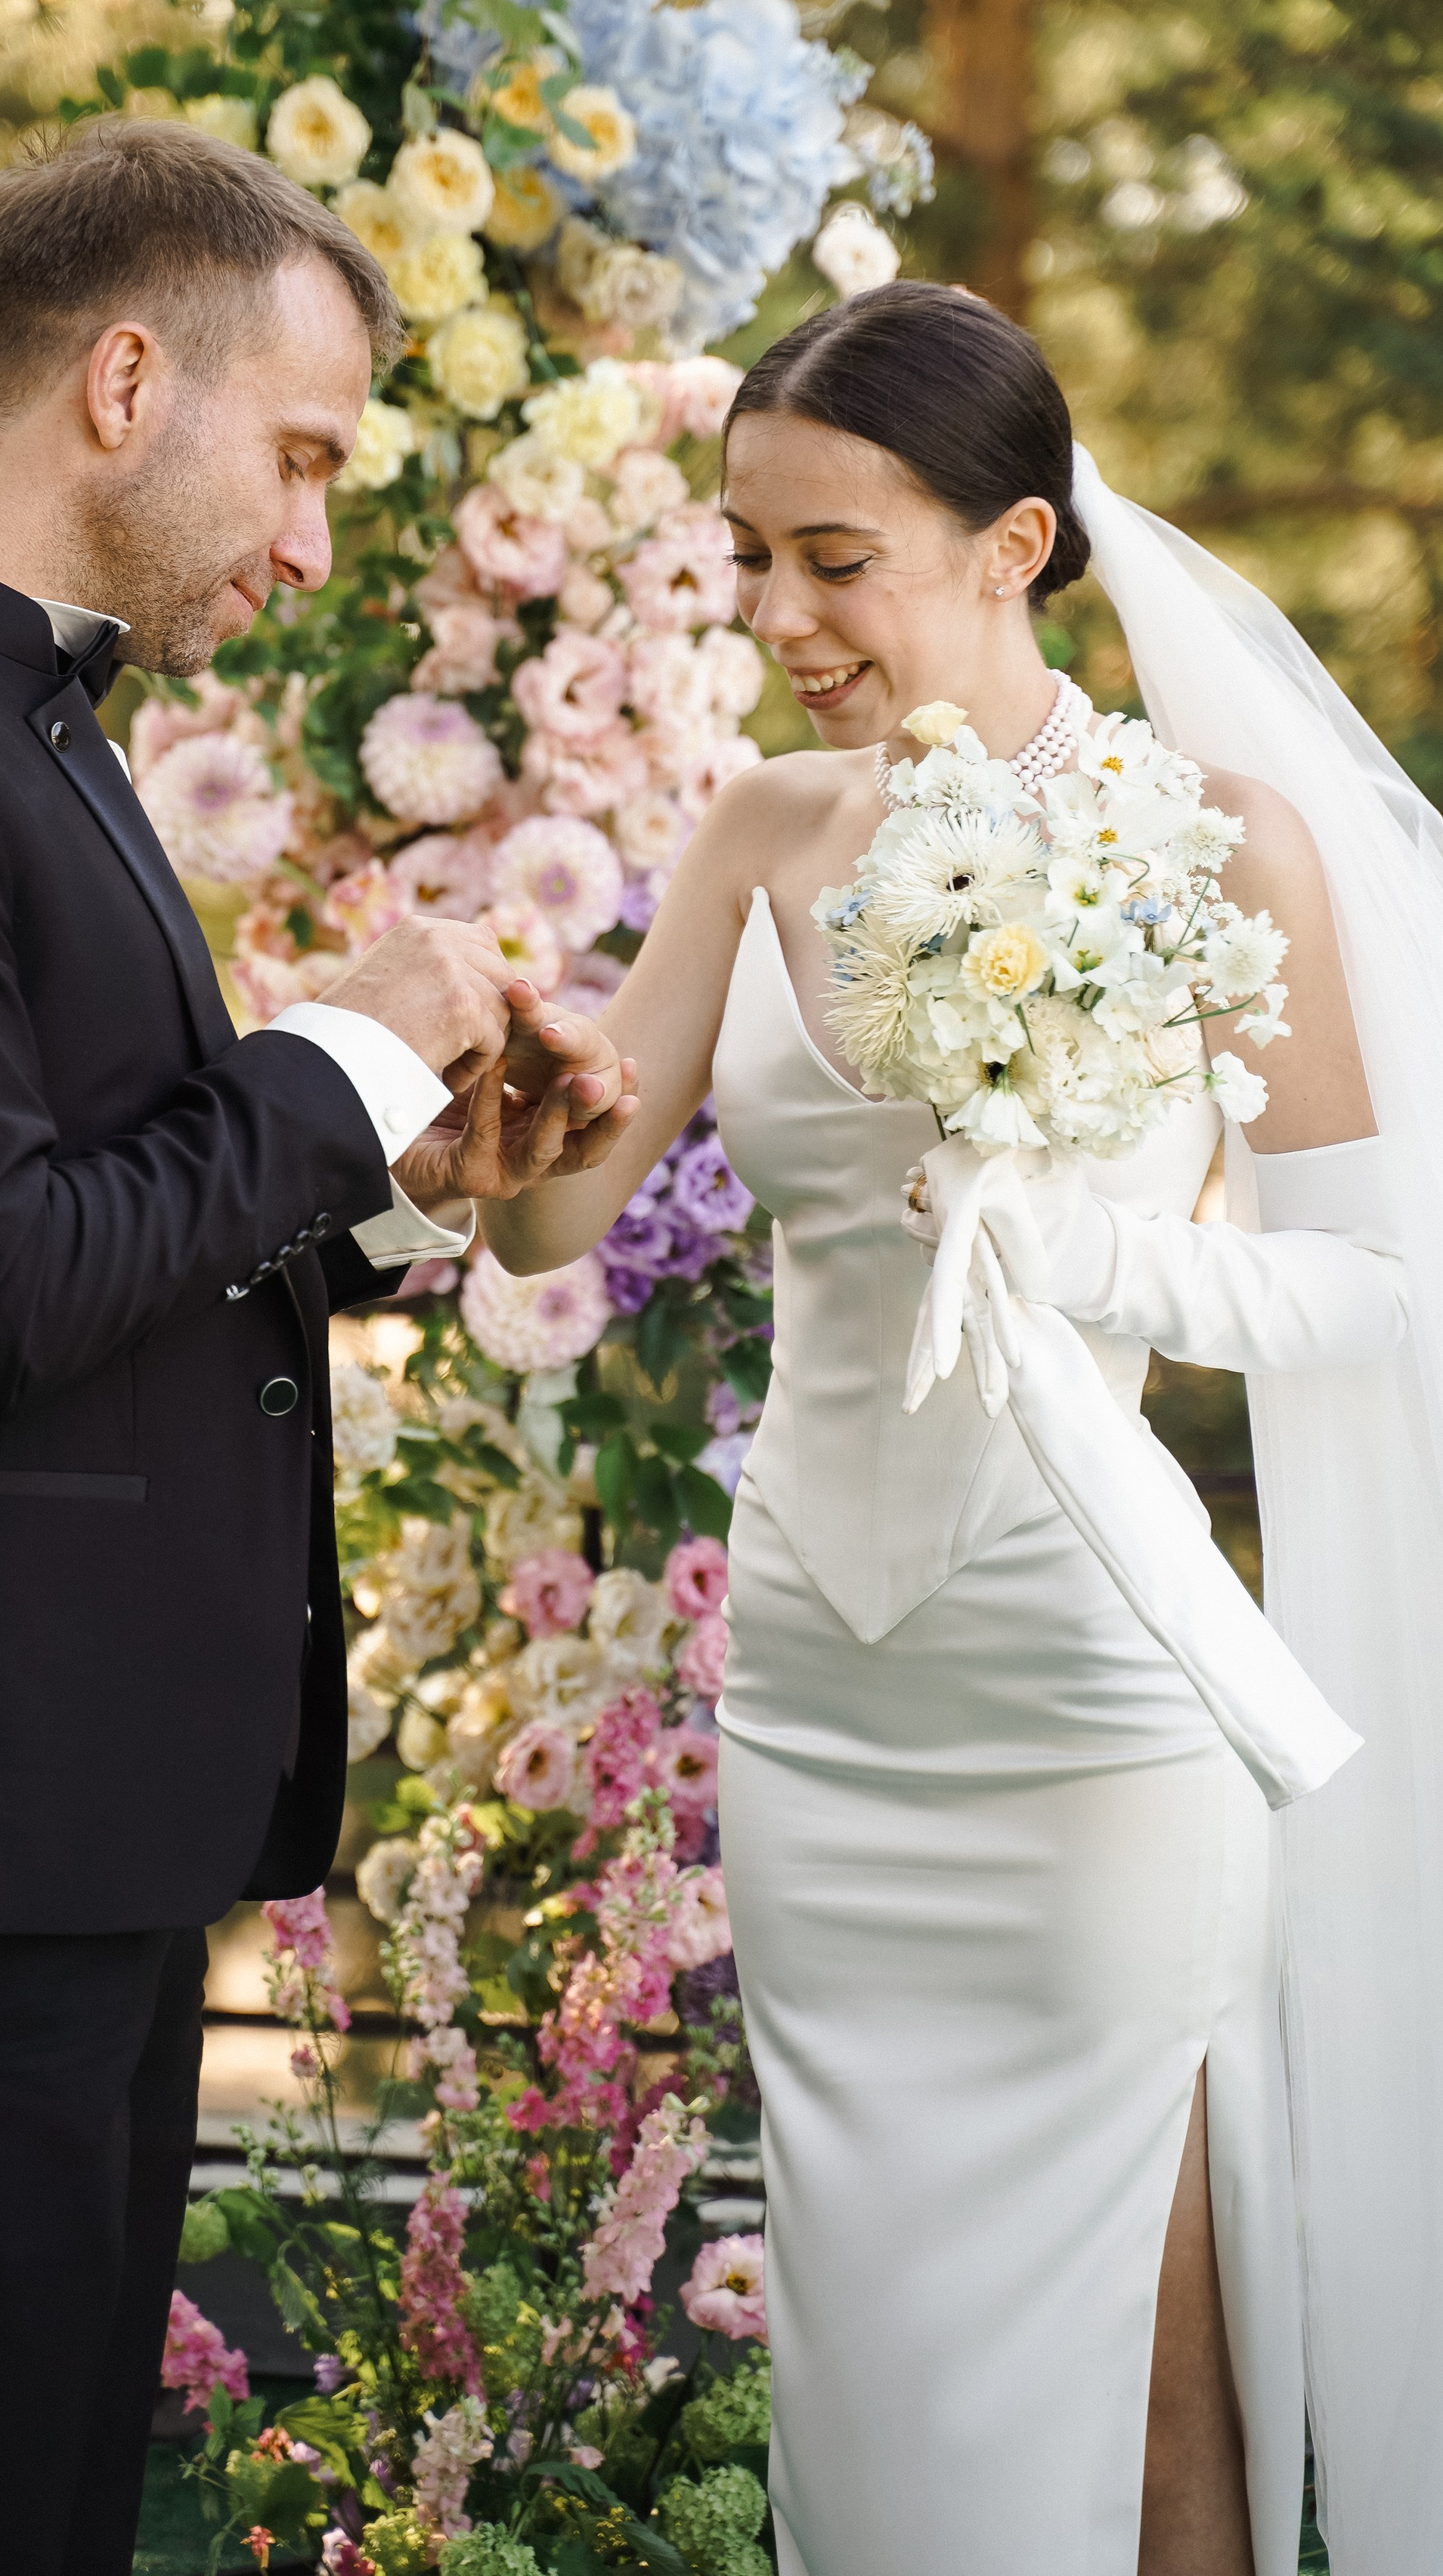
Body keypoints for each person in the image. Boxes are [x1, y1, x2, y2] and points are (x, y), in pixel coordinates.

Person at [0, 118, 637, 2576]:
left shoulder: (16, 732)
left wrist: (392, 1188)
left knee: (44, 2504)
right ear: (118, 383)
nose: (308, 539)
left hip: (50, 1810)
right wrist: (329, 1057)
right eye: (295, 459)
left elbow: (88, 1228)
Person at [478, 282, 1443, 2576]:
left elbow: (1375, 1293)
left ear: (1016, 542)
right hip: (824, 1691)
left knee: (1145, 2362)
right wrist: (502, 1129)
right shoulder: (757, 835)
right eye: (752, 560)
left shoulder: (1229, 850)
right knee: (875, 2347)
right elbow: (554, 1228)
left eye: (840, 557)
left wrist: (1103, 1265)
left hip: (1091, 1691)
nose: (785, 619)